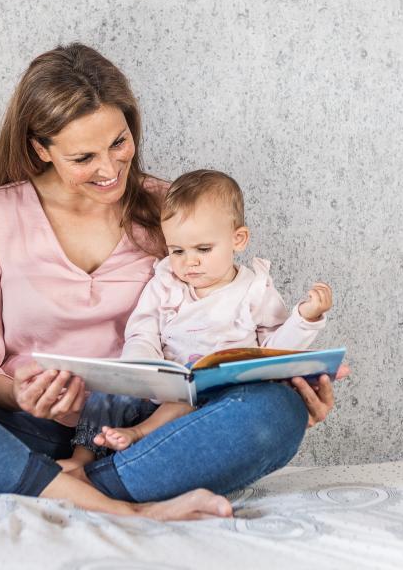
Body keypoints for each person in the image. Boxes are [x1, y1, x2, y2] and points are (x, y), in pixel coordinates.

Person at [0, 43, 342, 522]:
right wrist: (21, 393)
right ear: (41, 149)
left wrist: (286, 376)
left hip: (143, 432)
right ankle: (111, 502)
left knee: (275, 412)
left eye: (119, 143)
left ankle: (17, 481)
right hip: (18, 429)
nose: (109, 169)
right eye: (84, 158)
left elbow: (225, 318)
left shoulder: (172, 211)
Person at [64, 169, 333, 469]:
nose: (189, 261)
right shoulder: (166, 281)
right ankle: (81, 459)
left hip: (213, 398)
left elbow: (275, 351)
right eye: (177, 250)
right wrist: (141, 366)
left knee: (210, 398)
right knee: (107, 390)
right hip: (160, 388)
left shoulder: (254, 289)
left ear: (238, 239)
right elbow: (143, 329)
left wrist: (305, 318)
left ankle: (140, 437)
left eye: (203, 249)